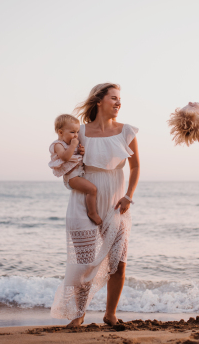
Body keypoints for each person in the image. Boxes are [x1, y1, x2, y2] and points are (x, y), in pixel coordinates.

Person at [50, 83, 140, 328]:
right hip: (84, 201)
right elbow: (62, 160)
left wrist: (128, 196)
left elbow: (136, 167)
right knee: (83, 263)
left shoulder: (127, 131)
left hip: (116, 201)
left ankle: (110, 314)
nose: (118, 102)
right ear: (99, 101)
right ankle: (78, 314)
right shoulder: (79, 131)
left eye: (120, 98)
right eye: (114, 98)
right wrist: (71, 180)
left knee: (118, 262)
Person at [49, 114, 103, 225]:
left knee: (92, 189)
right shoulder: (57, 145)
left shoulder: (70, 144)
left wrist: (80, 151)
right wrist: (73, 146)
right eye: (72, 132)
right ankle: (92, 213)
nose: (76, 135)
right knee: (92, 189)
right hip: (71, 177)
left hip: (78, 173)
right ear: (60, 132)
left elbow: (74, 157)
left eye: (77, 132)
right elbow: (65, 157)